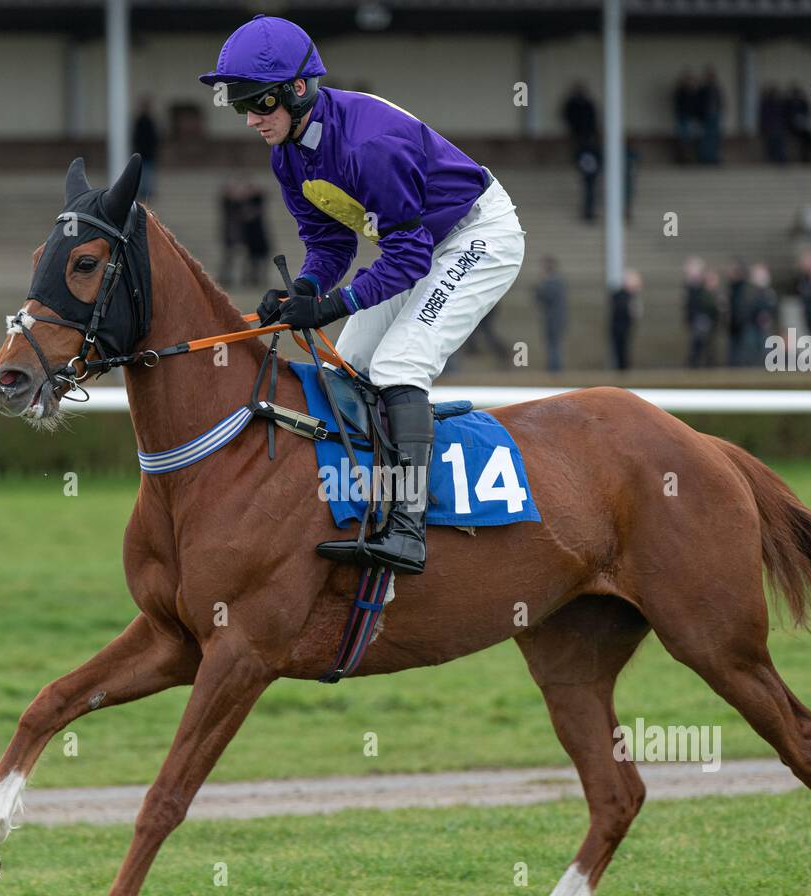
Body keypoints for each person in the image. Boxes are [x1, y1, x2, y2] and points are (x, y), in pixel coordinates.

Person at [200, 14, 525, 575]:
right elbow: (329, 242)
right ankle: (364, 505)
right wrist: (303, 288)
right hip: (420, 244)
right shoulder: (287, 151)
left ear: (298, 89)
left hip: (477, 234)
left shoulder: (370, 144)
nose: (251, 118)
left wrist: (330, 305)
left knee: (401, 363)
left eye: (260, 103)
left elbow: (408, 257)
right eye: (240, 106)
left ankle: (408, 527)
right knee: (347, 368)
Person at [562, 82, 599, 220]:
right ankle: (588, 212)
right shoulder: (575, 106)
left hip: (590, 170)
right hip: (587, 165)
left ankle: (589, 212)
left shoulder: (587, 105)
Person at [534, 256, 567, 373]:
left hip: (554, 319)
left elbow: (544, 298)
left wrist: (539, 287)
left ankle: (554, 370)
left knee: (553, 345)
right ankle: (554, 368)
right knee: (553, 344)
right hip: (555, 318)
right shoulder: (557, 281)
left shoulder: (553, 282)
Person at [609, 269, 641, 371]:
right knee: (620, 351)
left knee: (623, 351)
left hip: (625, 327)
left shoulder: (630, 296)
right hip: (619, 328)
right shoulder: (621, 295)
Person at [132, 96, 160, 203]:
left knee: (147, 174)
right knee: (144, 174)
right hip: (143, 153)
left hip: (147, 153)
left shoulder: (149, 121)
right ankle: (144, 192)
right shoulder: (140, 121)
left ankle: (146, 192)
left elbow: (154, 138)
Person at [787, 84, 811, 163]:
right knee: (805, 140)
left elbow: (808, 114)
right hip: (793, 128)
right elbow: (788, 117)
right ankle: (808, 157)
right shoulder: (789, 104)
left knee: (808, 139)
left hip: (803, 128)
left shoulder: (802, 103)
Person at [759, 86, 788, 165]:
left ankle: (779, 158)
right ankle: (775, 158)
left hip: (777, 127)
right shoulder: (768, 104)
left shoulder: (778, 104)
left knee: (778, 143)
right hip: (772, 127)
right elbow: (765, 117)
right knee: (773, 143)